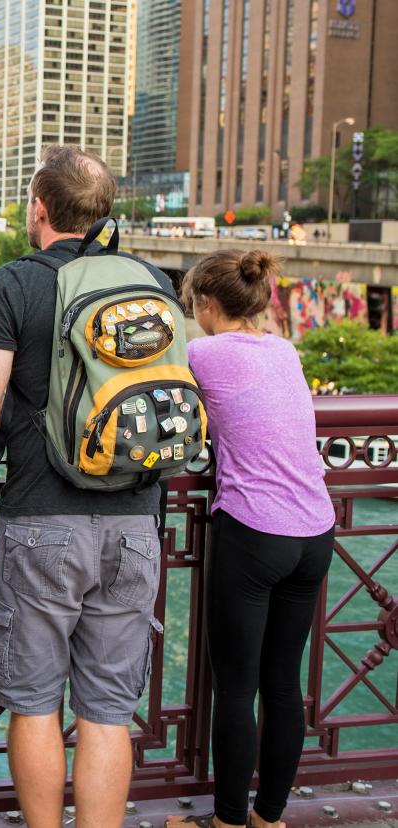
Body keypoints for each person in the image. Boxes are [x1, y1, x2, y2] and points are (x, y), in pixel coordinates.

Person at [0, 144, 176, 828]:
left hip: (43, 520)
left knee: (34, 703)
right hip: (136, 520)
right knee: (109, 711)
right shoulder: (150, 281)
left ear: (40, 209)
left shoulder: (14, 284)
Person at [166, 250, 335, 828]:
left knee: (236, 689)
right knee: (282, 682)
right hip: (315, 529)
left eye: (193, 305)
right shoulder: (285, 350)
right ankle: (270, 818)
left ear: (208, 305)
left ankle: (228, 821)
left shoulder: (202, 353)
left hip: (254, 529)